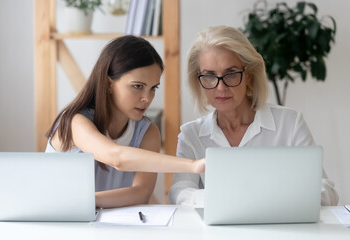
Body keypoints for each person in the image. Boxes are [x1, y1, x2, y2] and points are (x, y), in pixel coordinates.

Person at [168, 25, 338, 206]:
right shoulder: (191, 134)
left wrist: (274, 198)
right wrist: (221, 198)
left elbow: (326, 191)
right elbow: (179, 192)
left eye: (231, 73)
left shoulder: (289, 123)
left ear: (248, 75)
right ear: (198, 80)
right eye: (209, 76)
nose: (221, 87)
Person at [45, 35, 205, 209]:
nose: (147, 98)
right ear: (108, 83)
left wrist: (82, 201)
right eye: (138, 86)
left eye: (153, 88)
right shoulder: (74, 122)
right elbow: (116, 157)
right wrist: (193, 165)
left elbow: (141, 193)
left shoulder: (148, 132)